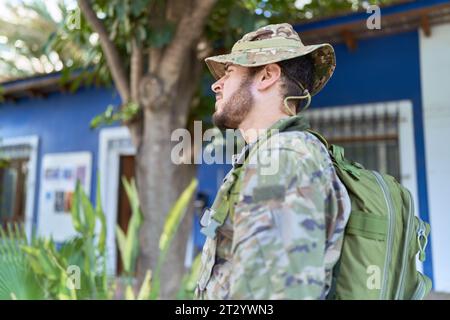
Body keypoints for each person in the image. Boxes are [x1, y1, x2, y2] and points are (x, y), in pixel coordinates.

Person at [194, 23, 351, 300]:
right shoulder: (274, 154)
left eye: (229, 72)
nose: (216, 85)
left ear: (267, 75)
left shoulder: (282, 158)